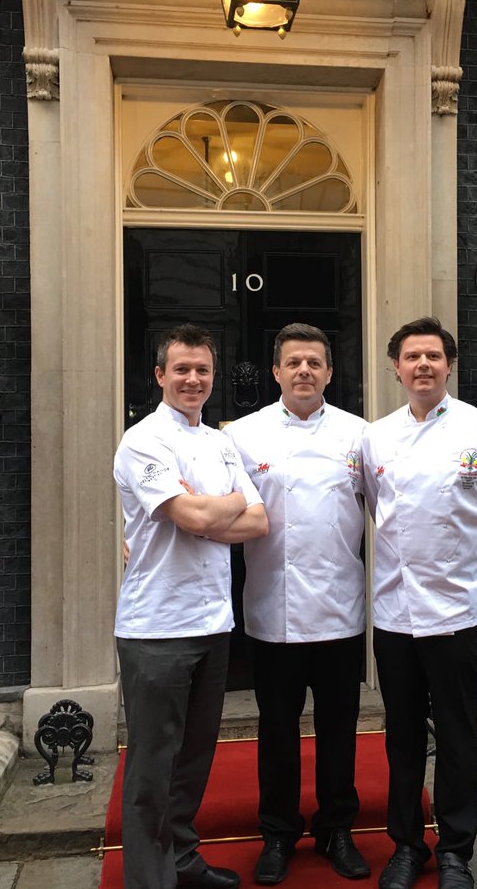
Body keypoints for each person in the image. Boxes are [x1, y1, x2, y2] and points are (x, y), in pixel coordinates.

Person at [359, 317, 477, 889]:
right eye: (412, 357)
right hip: (394, 612)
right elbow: (376, 506)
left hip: (455, 609)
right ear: (396, 368)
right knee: (402, 736)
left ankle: (456, 849)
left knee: (456, 735)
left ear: (449, 365)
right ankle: (407, 846)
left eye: (433, 355)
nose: (423, 365)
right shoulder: (375, 437)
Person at [113, 324, 270, 889]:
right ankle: (149, 881)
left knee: (194, 759)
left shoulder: (221, 443)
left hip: (213, 621)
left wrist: (207, 509)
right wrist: (221, 505)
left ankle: (182, 861)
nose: (193, 379)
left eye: (202, 369)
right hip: (156, 625)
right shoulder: (143, 441)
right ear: (160, 375)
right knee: (153, 769)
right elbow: (193, 516)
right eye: (181, 369)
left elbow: (259, 521)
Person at [222, 323, 371, 885]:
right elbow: (217, 507)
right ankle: (278, 833)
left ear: (329, 372)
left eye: (314, 362)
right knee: (277, 730)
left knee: (340, 728)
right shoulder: (243, 436)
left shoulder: (361, 435)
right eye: (293, 362)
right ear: (276, 372)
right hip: (273, 607)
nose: (304, 371)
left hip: (339, 607)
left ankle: (337, 829)